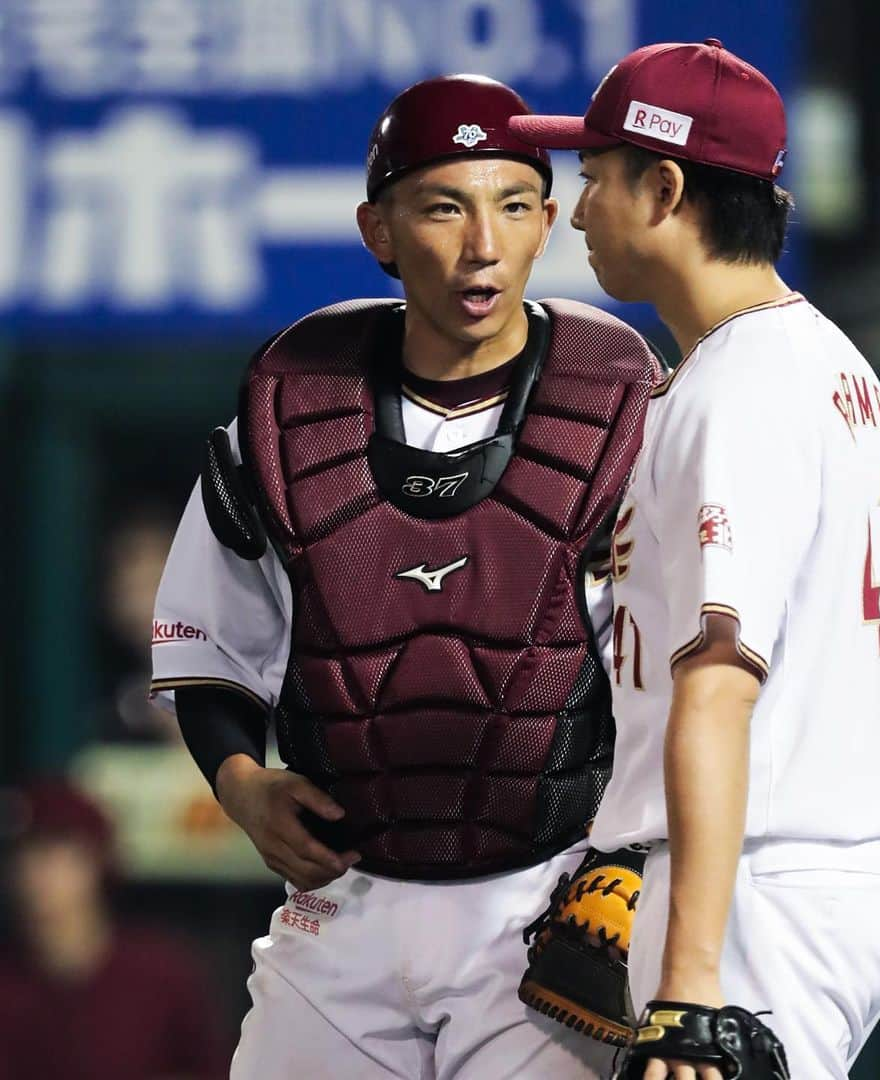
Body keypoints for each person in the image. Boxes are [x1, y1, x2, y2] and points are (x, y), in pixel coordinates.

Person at [149, 74, 661, 1078]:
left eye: (514, 205)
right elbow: (208, 645)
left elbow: (687, 678)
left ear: (548, 221)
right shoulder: (294, 402)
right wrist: (243, 788)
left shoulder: (622, 402)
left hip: (550, 899)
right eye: (444, 206)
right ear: (378, 229)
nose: (484, 243)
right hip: (343, 903)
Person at [510, 38, 880, 1079]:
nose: (574, 211)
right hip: (792, 871)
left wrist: (691, 981)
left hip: (760, 888)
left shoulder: (738, 388)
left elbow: (719, 688)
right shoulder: (820, 359)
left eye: (595, 179)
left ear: (665, 188)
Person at [0, 778, 226, 1080]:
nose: (35, 875)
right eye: (22, 857)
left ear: (97, 860)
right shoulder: (8, 986)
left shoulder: (162, 975)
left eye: (54, 854)